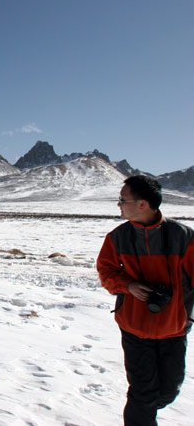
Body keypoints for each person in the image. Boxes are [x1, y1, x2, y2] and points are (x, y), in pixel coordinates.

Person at [97, 175, 194, 426]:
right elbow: (106, 272)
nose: (118, 205)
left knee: (167, 391)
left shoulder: (183, 236)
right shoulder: (117, 237)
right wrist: (127, 285)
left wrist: (187, 317)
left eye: (122, 200)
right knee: (142, 393)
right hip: (134, 327)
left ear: (142, 204)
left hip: (173, 329)